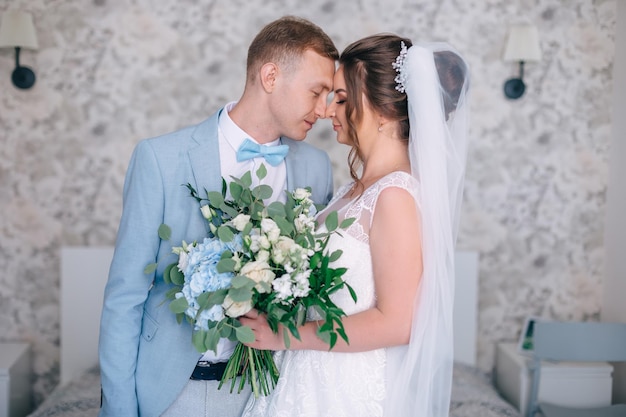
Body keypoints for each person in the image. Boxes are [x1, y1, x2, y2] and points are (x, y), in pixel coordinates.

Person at [98, 16, 338, 417]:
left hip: (268, 393)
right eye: (317, 92)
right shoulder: (161, 159)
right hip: (170, 391)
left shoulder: (317, 168)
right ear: (271, 76)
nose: (324, 109)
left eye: (330, 95)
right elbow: (125, 298)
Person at [239, 34, 470, 417]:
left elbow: (398, 323)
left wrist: (286, 337)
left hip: (345, 389)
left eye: (343, 99)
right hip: (305, 375)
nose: (329, 111)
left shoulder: (395, 196)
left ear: (383, 112)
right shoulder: (353, 190)